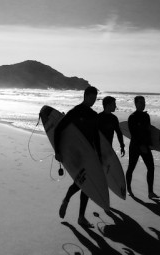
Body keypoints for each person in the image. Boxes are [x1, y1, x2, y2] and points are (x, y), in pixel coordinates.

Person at [54, 86, 101, 228]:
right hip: (76, 154)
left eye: (95, 98)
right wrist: (58, 151)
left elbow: (96, 138)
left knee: (84, 183)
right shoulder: (75, 112)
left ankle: (69, 203)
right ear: (85, 96)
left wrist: (98, 155)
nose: (93, 101)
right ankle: (79, 215)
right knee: (84, 183)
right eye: (91, 98)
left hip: (88, 154)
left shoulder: (94, 115)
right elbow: (58, 130)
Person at [125, 95, 160, 199]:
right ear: (136, 104)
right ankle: (129, 189)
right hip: (135, 147)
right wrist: (141, 146)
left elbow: (149, 130)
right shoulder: (132, 117)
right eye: (141, 102)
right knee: (131, 168)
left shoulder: (146, 116)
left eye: (144, 102)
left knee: (151, 168)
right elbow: (134, 134)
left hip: (145, 145)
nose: (143, 104)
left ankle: (150, 192)